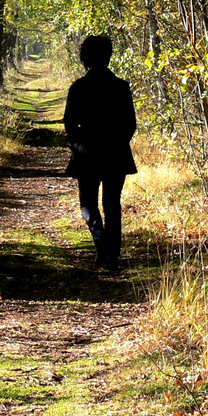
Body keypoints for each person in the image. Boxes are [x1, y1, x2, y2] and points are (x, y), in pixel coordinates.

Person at [63, 35, 138, 271]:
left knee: (88, 203)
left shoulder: (78, 87)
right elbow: (130, 124)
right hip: (116, 153)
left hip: (87, 155)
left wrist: (78, 147)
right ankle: (110, 255)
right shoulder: (121, 86)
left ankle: (103, 246)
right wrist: (118, 142)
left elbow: (69, 124)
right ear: (108, 56)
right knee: (112, 204)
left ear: (85, 58)